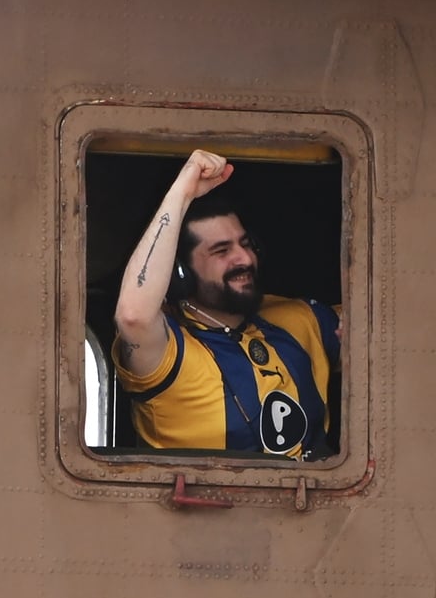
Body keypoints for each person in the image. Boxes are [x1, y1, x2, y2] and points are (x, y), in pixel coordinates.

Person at [113, 150, 341, 460]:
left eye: (246, 245)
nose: (245, 259)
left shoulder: (300, 319)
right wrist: (183, 193)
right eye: (221, 251)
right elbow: (133, 317)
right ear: (181, 272)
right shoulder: (169, 351)